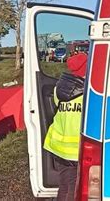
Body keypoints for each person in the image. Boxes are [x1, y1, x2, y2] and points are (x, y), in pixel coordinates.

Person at [43, 53, 88, 201]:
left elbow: (58, 107)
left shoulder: (58, 89)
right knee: (74, 187)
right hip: (75, 149)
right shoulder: (88, 92)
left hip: (58, 145)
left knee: (64, 184)